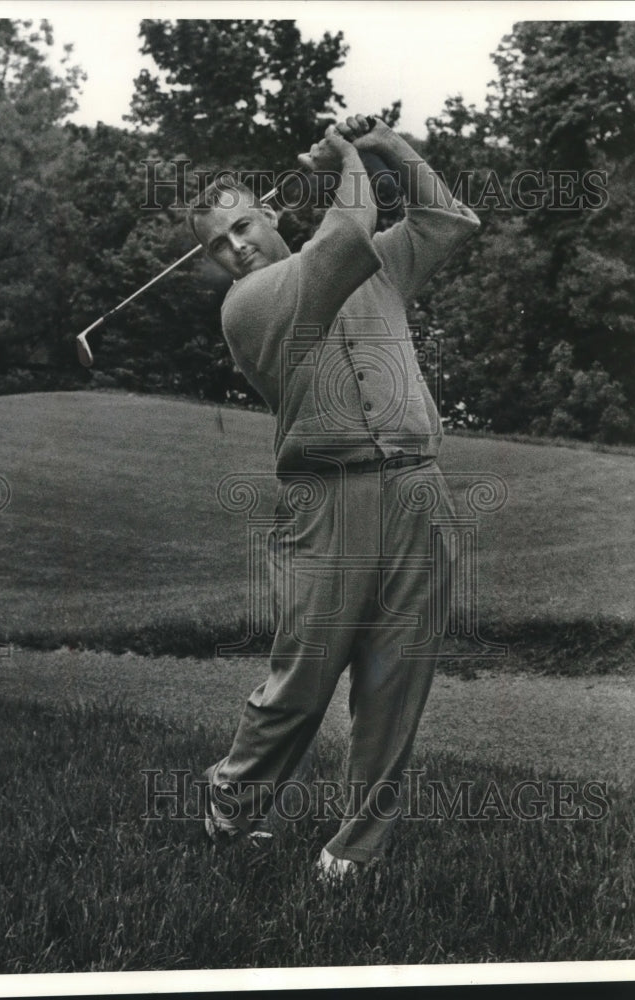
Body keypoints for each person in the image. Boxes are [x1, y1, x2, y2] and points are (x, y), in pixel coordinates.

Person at [187, 115, 480, 878]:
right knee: (305, 678)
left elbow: (448, 219)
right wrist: (348, 155)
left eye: (242, 224)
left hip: (418, 489)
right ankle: (233, 798)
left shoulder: (379, 267)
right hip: (327, 500)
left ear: (272, 214)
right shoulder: (250, 304)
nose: (235, 247)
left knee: (396, 679)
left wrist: (387, 146)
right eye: (218, 244)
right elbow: (348, 230)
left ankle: (353, 854)